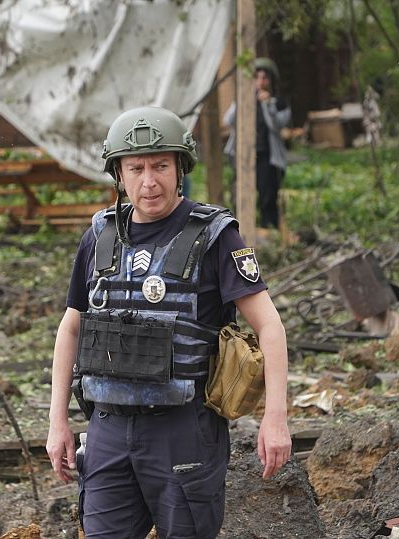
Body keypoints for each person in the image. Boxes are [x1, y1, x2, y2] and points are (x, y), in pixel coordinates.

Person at [46, 106, 291, 538]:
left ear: (181, 168)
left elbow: (269, 326)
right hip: (108, 428)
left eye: (160, 165)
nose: (149, 180)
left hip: (184, 430)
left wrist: (275, 418)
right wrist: (57, 422)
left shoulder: (215, 235)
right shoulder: (99, 236)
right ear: (118, 174)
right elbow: (71, 327)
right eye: (135, 168)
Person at [223, 57, 291, 228]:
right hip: (244, 155)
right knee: (240, 196)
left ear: (271, 80)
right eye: (257, 78)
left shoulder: (279, 103)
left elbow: (276, 125)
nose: (260, 82)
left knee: (267, 197)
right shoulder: (245, 100)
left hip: (268, 157)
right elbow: (228, 120)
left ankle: (269, 230)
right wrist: (242, 99)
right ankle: (240, 232)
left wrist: (268, 104)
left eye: (264, 78)